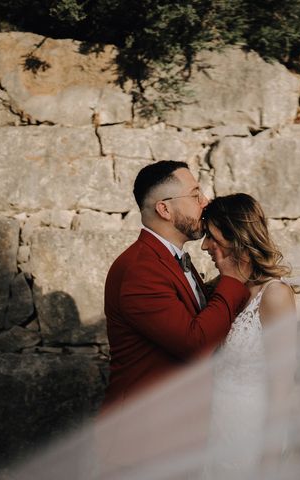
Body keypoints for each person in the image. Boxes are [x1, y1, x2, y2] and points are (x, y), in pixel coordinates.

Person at [100, 161, 251, 412]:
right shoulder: (140, 270)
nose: (206, 201)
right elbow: (196, 344)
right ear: (165, 209)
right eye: (195, 195)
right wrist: (233, 279)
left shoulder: (169, 259)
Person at [199, 193, 297, 477]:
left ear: (238, 238)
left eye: (212, 237)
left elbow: (282, 385)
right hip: (212, 434)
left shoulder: (274, 295)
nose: (205, 246)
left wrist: (268, 461)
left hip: (249, 437)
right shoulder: (218, 291)